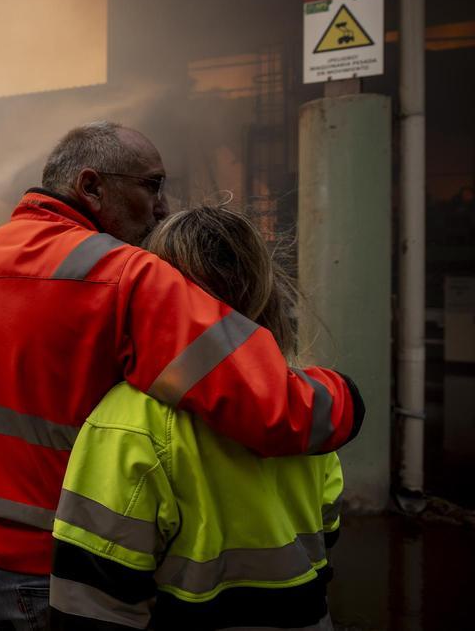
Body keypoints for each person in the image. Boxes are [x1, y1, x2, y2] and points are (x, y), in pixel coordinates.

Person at [0, 122, 363, 630]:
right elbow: (279, 410)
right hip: (53, 581)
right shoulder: (129, 277)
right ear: (90, 186)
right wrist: (346, 395)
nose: (162, 206)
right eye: (152, 186)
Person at [49, 206, 349, 630]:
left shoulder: (128, 420)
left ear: (158, 296)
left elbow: (91, 600)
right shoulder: (306, 407)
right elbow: (328, 529)